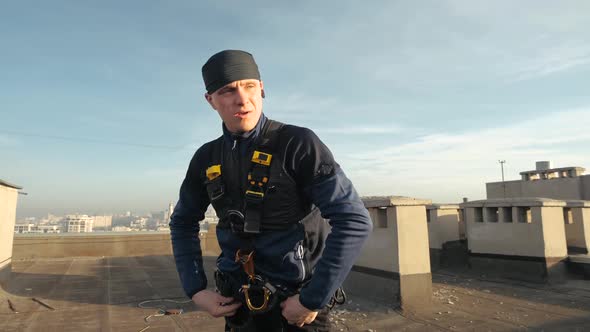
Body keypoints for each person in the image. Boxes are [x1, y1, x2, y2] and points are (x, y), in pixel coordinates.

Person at [169, 49, 372, 332]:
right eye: (227, 90)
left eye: (250, 86)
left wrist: (312, 299)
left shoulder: (297, 144)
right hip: (237, 305)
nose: (242, 98)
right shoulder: (206, 157)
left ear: (262, 89)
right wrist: (196, 290)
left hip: (296, 307)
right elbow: (182, 222)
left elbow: (354, 220)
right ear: (210, 100)